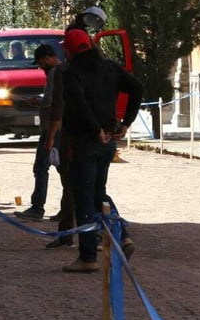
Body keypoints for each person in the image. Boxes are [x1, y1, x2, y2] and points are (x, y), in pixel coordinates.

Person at [59, 28, 143, 273]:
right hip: (107, 141)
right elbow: (137, 88)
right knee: (99, 193)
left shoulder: (71, 73)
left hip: (85, 141)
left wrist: (95, 129)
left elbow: (79, 104)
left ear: (69, 50)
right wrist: (126, 122)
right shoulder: (109, 67)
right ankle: (123, 235)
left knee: (84, 199)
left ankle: (87, 256)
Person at [16, 44, 75, 236]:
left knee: (41, 167)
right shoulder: (66, 70)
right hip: (62, 127)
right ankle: (67, 210)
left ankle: (37, 207)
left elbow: (51, 100)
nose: (40, 67)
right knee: (64, 171)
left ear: (49, 58)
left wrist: (37, 101)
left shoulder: (55, 72)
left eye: (41, 62)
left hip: (52, 128)